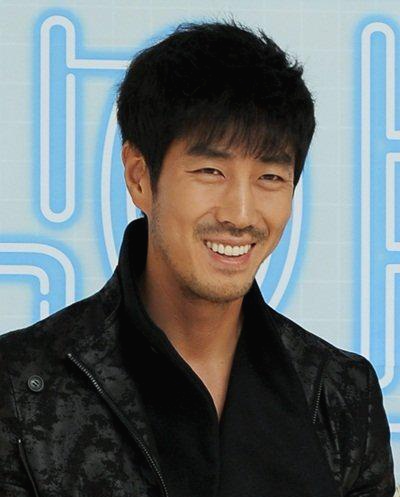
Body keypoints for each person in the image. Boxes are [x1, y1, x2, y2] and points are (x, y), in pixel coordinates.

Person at [0, 19, 395, 497]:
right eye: (210, 170)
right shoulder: (21, 386)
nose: (241, 214)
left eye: (270, 177)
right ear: (140, 177)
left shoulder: (342, 393)